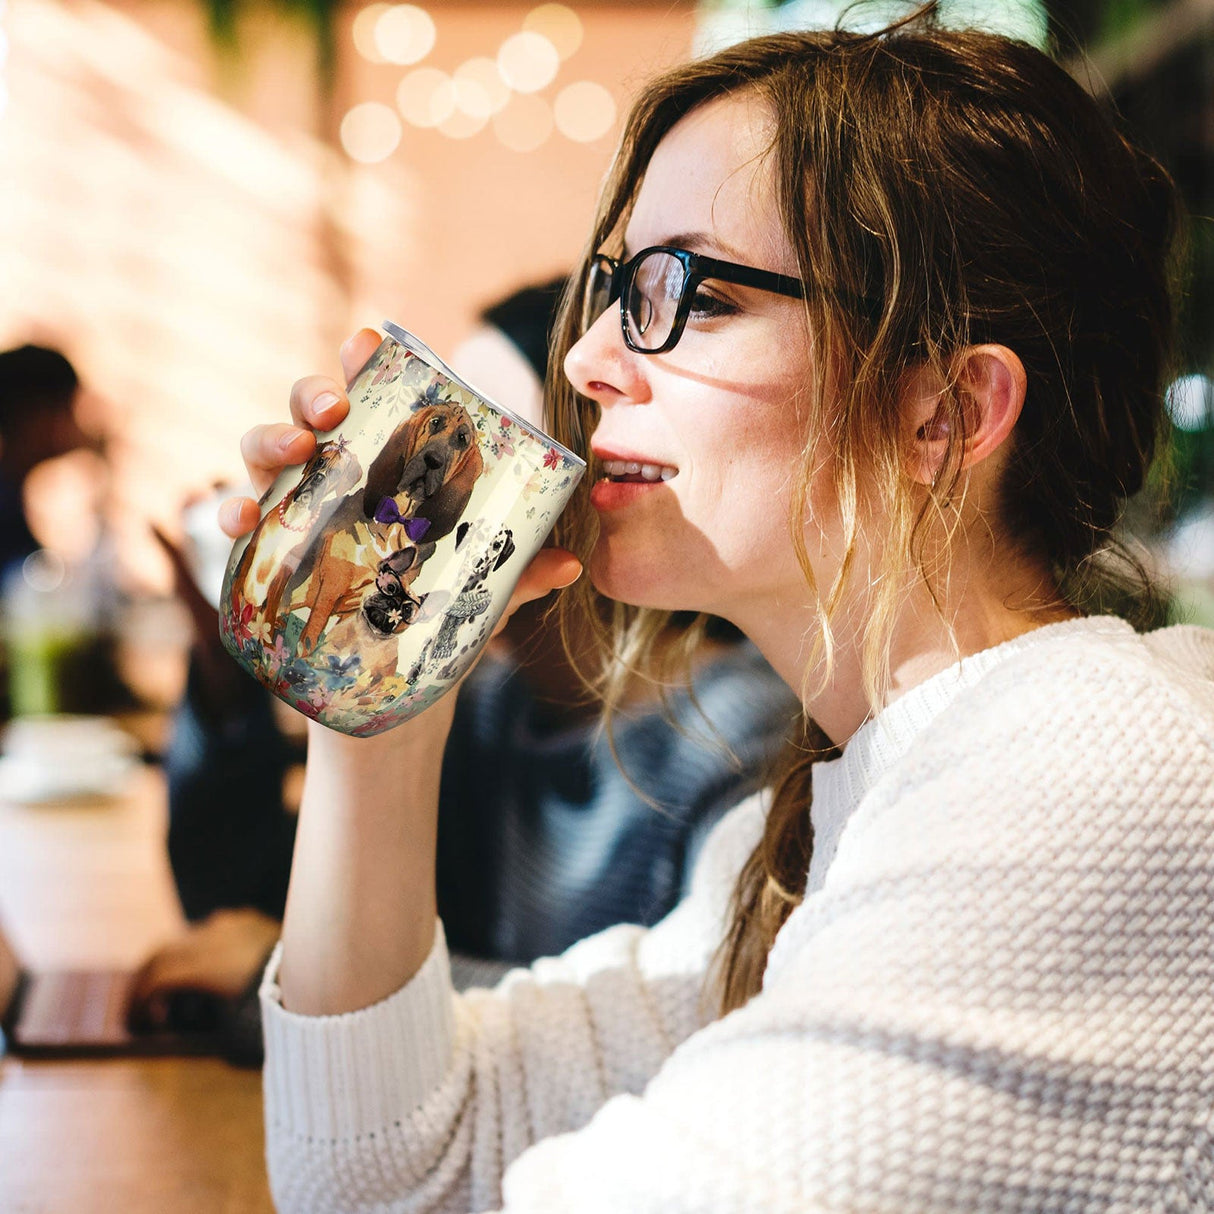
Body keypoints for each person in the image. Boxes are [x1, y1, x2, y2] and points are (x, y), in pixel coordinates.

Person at [223, 10, 1214, 1209]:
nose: (585, 359)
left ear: (941, 412)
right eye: (613, 289)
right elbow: (383, 1176)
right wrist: (374, 695)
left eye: (682, 291)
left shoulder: (1093, 774)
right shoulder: (801, 837)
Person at [129, 280, 797, 1052]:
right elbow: (236, 901)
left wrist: (265, 979)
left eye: (470, 453)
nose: (414, 491)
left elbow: (681, 1030)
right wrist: (225, 681)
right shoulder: (488, 700)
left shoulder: (735, 739)